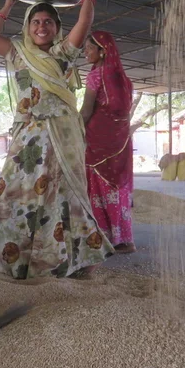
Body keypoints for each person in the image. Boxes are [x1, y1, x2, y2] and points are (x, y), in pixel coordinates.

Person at [0, 0, 114, 279]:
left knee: (61, 194)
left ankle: (79, 258)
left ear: (57, 28)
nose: (42, 27)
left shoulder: (63, 53)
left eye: (48, 22)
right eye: (36, 22)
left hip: (59, 139)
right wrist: (9, 3)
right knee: (13, 195)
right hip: (27, 138)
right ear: (27, 27)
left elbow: (85, 21)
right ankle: (17, 260)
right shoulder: (17, 53)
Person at [81, 31, 136, 252]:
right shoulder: (125, 80)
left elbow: (86, 110)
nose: (85, 52)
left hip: (97, 141)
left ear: (102, 51)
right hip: (120, 140)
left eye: (89, 48)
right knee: (117, 187)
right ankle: (125, 239)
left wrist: (70, 128)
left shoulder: (95, 76)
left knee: (97, 187)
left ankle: (102, 238)